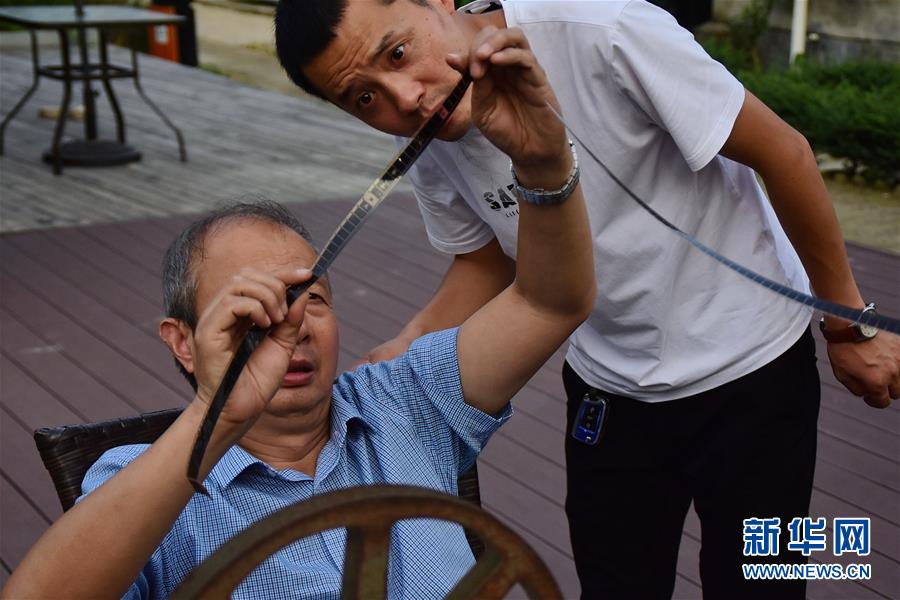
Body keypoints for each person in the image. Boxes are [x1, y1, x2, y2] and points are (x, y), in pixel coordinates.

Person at [273, 0, 900, 598]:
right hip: (609, 383)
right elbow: (488, 258)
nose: (405, 97)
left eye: (398, 53)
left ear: (437, 3)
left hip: (753, 364)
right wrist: (408, 344)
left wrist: (849, 325)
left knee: (763, 582)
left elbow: (784, 153)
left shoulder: (604, 28)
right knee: (615, 586)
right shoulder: (427, 131)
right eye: (364, 98)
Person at [1, 35, 595, 599]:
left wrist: (543, 162)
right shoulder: (139, 481)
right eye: (250, 310)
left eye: (311, 298)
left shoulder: (407, 401)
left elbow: (549, 302)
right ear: (183, 341)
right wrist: (216, 416)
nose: (292, 329)